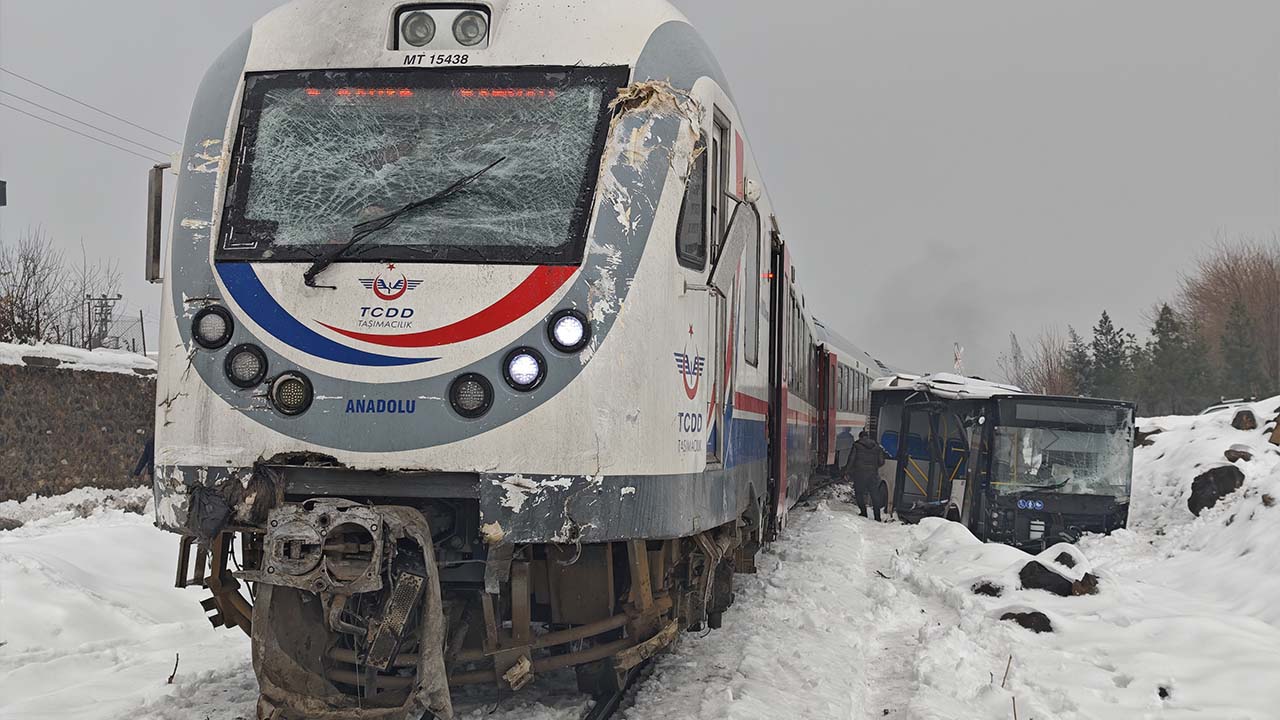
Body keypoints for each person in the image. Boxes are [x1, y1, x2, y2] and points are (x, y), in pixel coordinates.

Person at [845, 430, 886, 520]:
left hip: (860, 473)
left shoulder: (857, 445)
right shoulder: (877, 446)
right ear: (868, 437)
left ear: (860, 437)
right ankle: (877, 517)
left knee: (859, 493)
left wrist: (846, 471)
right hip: (873, 474)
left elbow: (851, 460)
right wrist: (874, 467)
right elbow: (881, 461)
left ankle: (863, 512)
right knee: (875, 494)